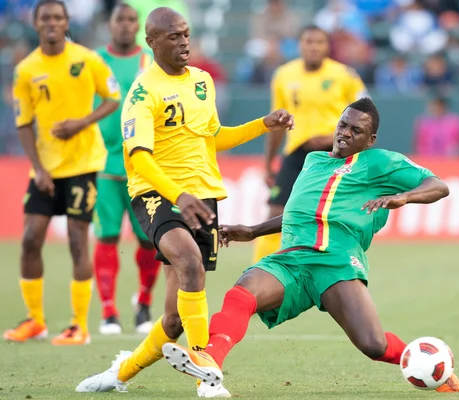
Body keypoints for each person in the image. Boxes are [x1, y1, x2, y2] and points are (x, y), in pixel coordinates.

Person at [165, 98, 459, 397]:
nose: (345, 133)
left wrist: (405, 197)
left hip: (336, 262)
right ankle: (210, 362)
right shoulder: (313, 161)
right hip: (291, 260)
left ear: (370, 139)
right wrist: (253, 231)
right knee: (242, 293)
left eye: (356, 130)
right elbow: (299, 212)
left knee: (373, 345)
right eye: (342, 125)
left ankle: (431, 366)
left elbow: (438, 186)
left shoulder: (380, 162)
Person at [75, 7, 293, 397]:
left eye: (186, 34)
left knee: (174, 317)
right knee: (189, 262)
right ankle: (204, 372)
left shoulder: (203, 82)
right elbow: (139, 156)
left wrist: (264, 125)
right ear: (152, 42)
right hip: (158, 194)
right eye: (173, 36)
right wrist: (178, 194)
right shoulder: (142, 92)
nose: (183, 42)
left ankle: (120, 373)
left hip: (202, 196)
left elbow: (215, 137)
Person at [3, 0, 120, 345]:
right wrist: (38, 168)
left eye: (58, 17)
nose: (52, 22)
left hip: (83, 165)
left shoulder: (87, 59)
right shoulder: (25, 69)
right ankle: (35, 321)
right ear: (36, 23)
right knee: (29, 240)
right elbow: (23, 122)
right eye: (45, 18)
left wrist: (82, 123)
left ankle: (78, 325)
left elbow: (112, 98)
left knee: (76, 241)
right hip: (45, 170)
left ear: (66, 22)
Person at [255, 25, 368, 264]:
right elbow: (276, 123)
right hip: (296, 152)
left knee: (331, 216)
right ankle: (260, 269)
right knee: (276, 212)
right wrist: (268, 164)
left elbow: (366, 116)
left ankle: (340, 266)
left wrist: (333, 137)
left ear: (327, 46)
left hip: (334, 153)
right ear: (299, 45)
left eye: (319, 42)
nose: (314, 47)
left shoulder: (344, 75)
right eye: (308, 41)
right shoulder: (284, 75)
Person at [93, 3, 158, 336]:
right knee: (107, 236)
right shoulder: (93, 62)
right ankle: (108, 311)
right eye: (120, 19)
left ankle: (144, 304)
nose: (126, 25)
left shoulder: (150, 61)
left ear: (139, 26)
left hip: (143, 166)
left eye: (132, 20)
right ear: (110, 24)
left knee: (148, 239)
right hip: (102, 165)